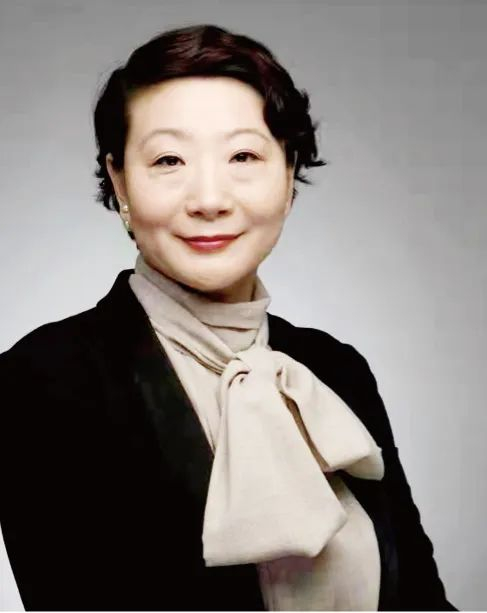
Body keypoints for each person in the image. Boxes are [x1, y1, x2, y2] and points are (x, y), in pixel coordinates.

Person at [0, 23, 456, 612]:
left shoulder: (335, 370)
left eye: (243, 155)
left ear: (289, 175)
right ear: (120, 182)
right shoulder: (40, 380)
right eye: (169, 160)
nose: (210, 200)